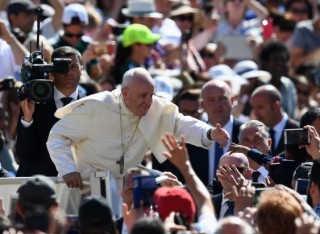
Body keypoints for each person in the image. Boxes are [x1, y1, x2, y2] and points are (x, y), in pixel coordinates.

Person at [46, 67, 230, 191]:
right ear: (125, 93)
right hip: (85, 186)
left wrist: (209, 132)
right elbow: (57, 136)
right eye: (143, 95)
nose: (148, 101)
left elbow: (181, 124)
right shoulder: (96, 107)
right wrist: (68, 169)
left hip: (126, 189)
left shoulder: (153, 107)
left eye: (151, 95)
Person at [16, 46, 84, 176]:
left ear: (82, 69)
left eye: (73, 66)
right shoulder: (35, 103)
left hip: (80, 183)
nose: (68, 72)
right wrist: (28, 118)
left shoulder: (90, 104)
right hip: (40, 184)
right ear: (51, 71)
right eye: (62, 67)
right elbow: (24, 156)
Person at [250, 84, 299, 156]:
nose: (255, 113)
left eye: (260, 107)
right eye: (254, 108)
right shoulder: (257, 134)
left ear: (276, 106)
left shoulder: (297, 130)